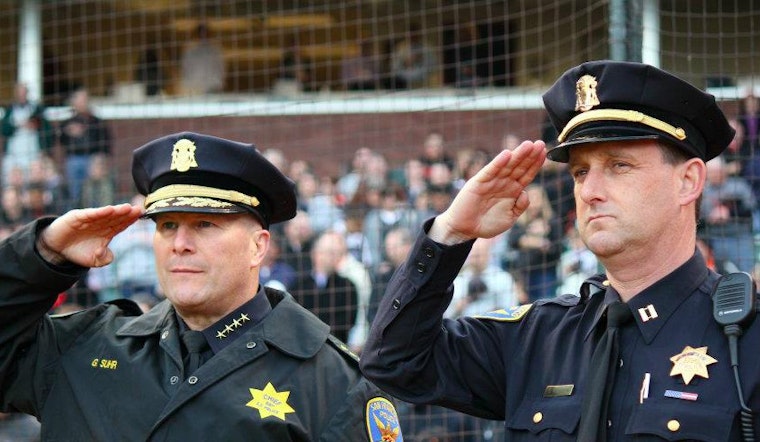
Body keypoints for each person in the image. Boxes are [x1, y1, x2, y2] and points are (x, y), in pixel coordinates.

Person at [361, 60, 760, 440]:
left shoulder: (746, 340)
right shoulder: (541, 337)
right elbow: (394, 362)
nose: (589, 191)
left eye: (619, 165)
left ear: (688, 181)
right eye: (580, 172)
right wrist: (449, 234)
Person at [0, 132, 401, 440]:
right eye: (168, 225)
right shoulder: (83, 346)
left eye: (205, 225)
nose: (179, 244)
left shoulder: (332, 381)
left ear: (258, 247)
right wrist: (42, 256)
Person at [57, 88, 112, 208]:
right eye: (80, 99)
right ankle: (76, 209)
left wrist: (101, 158)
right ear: (74, 102)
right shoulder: (68, 121)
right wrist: (68, 132)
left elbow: (106, 141)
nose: (83, 102)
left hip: (92, 158)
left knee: (93, 189)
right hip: (74, 158)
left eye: (85, 99)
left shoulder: (96, 121)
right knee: (75, 188)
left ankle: (94, 210)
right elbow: (61, 140)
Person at [1, 83, 54, 187]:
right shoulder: (9, 110)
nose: (21, 95)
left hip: (33, 152)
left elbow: (46, 129)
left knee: (33, 183)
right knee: (11, 182)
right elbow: (3, 129)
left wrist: (44, 149)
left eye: (24, 92)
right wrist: (18, 125)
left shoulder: (36, 109)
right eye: (19, 93)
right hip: (14, 153)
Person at [180, 23, 225, 95]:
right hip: (196, 88)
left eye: (204, 33)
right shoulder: (190, 52)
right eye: (201, 33)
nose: (203, 36)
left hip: (210, 88)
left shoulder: (214, 51)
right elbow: (185, 69)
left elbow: (220, 69)